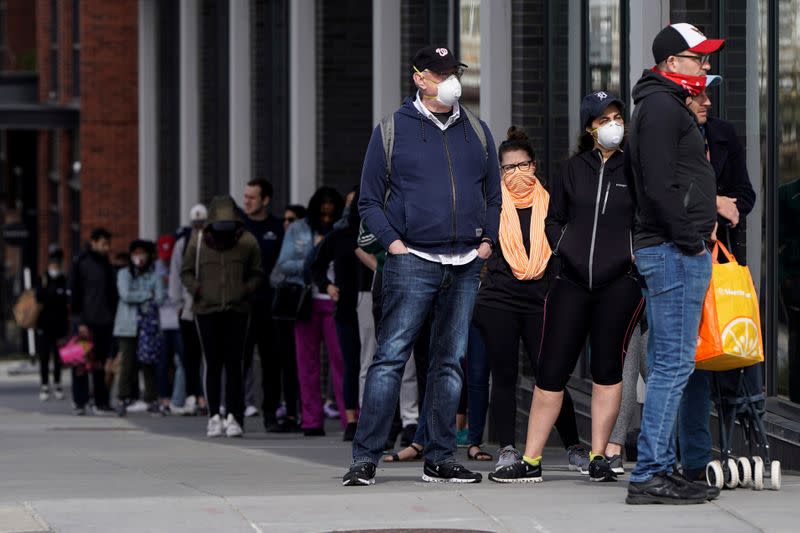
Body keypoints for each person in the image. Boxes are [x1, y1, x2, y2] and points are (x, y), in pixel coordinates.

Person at [344, 44, 501, 486]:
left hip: (466, 260)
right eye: (441, 72)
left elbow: (493, 195)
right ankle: (365, 457)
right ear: (419, 78)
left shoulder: (476, 129)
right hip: (412, 258)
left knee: (449, 362)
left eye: (454, 71)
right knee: (391, 357)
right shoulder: (393, 129)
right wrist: (394, 244)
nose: (451, 79)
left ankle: (440, 457)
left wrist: (487, 240)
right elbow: (370, 201)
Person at [490, 92, 642, 484]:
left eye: (617, 117)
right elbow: (553, 220)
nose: (613, 125)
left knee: (608, 371)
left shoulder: (636, 170)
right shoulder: (573, 169)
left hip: (619, 285)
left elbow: (646, 223)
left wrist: (633, 258)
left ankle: (598, 457)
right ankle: (531, 459)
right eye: (604, 118)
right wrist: (564, 248)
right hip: (571, 283)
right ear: (590, 127)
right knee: (551, 371)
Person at [626, 23, 724, 505]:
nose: (705, 67)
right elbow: (661, 186)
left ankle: (659, 467)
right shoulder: (663, 108)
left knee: (673, 365)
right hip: (672, 251)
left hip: (670, 249)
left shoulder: (661, 105)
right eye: (698, 58)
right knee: (672, 366)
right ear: (671, 64)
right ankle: (649, 475)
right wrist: (689, 239)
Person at [470, 127, 583, 471]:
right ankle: (507, 447)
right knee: (503, 375)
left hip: (541, 299)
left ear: (534, 165)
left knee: (551, 376)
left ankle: (574, 447)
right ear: (499, 171)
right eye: (508, 168)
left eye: (523, 165)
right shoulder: (489, 206)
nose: (516, 173)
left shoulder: (551, 202)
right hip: (499, 300)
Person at [677, 81, 757, 482]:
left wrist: (726, 206)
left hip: (723, 267)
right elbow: (662, 193)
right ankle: (693, 458)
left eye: (709, 95)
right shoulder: (664, 135)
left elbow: (746, 194)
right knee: (691, 363)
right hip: (679, 261)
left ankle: (737, 446)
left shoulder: (724, 135)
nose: (707, 102)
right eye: (699, 95)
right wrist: (714, 202)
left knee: (734, 351)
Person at [181, 196, 263, 438]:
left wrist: (245, 290)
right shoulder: (198, 242)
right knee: (213, 364)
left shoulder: (247, 242)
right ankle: (214, 415)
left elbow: (257, 272)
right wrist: (197, 289)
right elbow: (185, 271)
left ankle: (235, 417)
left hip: (237, 310)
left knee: (235, 365)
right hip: (206, 310)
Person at [274, 186, 346, 437]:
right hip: (306, 299)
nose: (326, 219)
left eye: (331, 215)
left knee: (341, 361)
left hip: (336, 299)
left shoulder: (342, 229)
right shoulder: (298, 229)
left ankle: (349, 418)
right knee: (307, 363)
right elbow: (283, 264)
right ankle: (311, 420)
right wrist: (311, 252)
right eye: (322, 215)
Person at [241, 179, 285, 427]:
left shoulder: (277, 228)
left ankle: (271, 415)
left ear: (265, 200)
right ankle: (234, 415)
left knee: (271, 362)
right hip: (245, 305)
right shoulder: (239, 228)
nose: (246, 201)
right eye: (245, 196)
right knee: (241, 361)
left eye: (252, 197)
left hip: (271, 304)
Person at [70, 227, 117, 415]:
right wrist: (79, 320)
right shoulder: (81, 262)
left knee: (100, 364)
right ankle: (80, 401)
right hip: (86, 322)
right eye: (103, 244)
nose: (106, 248)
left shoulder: (106, 263)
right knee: (81, 365)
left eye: (108, 244)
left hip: (104, 321)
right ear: (94, 242)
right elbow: (75, 294)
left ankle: (101, 402)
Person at [267, 204, 307, 428]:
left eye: (292, 220)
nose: (287, 224)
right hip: (285, 302)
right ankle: (291, 411)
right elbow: (277, 273)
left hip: (303, 300)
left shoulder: (303, 238)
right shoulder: (283, 242)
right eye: (285, 219)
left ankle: (304, 411)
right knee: (287, 361)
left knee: (302, 360)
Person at [114, 240, 164, 416]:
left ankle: (151, 398)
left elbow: (160, 298)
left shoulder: (154, 276)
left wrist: (145, 296)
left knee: (148, 363)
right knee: (127, 364)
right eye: (135, 253)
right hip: (127, 326)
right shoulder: (124, 274)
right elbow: (126, 295)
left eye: (142, 253)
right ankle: (123, 397)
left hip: (148, 328)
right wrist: (146, 295)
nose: (139, 257)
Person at [169, 204, 208, 416]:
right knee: (190, 354)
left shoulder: (211, 242)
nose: (199, 227)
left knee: (207, 355)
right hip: (187, 307)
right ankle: (193, 394)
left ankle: (205, 396)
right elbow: (176, 274)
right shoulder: (183, 244)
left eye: (202, 224)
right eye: (196, 224)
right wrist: (176, 303)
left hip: (207, 305)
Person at [36, 245, 69, 401]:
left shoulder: (64, 279)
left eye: (57, 263)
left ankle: (57, 383)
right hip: (43, 324)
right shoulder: (42, 279)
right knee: (44, 355)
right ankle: (44, 384)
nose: (55, 266)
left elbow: (67, 301)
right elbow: (38, 298)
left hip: (60, 324)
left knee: (58, 357)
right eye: (53, 262)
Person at [156, 234, 184, 415]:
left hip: (179, 321)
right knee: (163, 363)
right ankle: (164, 398)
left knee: (184, 361)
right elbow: (157, 297)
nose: (166, 262)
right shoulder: (157, 268)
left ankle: (179, 399)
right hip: (162, 322)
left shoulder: (181, 264)